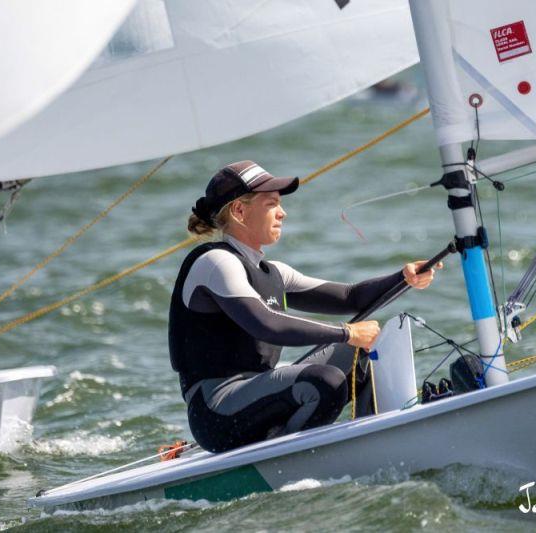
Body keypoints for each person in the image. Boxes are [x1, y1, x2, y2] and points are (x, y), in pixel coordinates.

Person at [169, 160, 441, 453]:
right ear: (239, 211)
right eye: (272, 204)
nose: (283, 213)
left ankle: (377, 443)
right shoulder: (214, 262)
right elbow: (265, 324)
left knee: (364, 353)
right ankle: (287, 458)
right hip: (216, 412)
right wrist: (345, 332)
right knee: (324, 382)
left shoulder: (273, 272)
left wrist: (404, 278)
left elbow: (350, 297)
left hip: (255, 392)